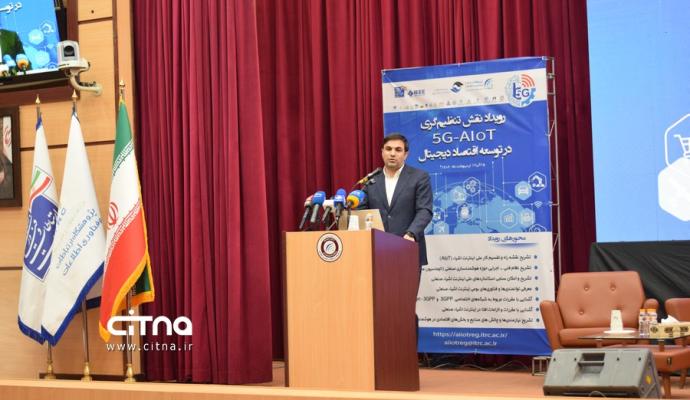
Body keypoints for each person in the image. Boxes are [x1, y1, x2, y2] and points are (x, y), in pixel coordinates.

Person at [360, 133, 433, 266]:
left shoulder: (419, 177)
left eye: (398, 150)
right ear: (382, 152)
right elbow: (360, 209)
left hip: (408, 247)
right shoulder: (372, 179)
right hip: (377, 251)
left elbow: (425, 210)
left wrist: (411, 234)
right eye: (388, 149)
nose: (392, 154)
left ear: (405, 154)